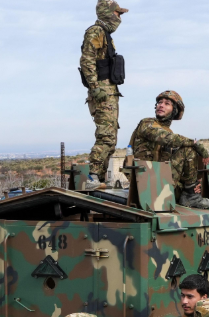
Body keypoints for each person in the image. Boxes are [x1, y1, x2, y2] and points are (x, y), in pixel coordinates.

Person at [128, 90, 209, 208]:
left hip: (159, 180)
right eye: (160, 102)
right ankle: (189, 196)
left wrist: (194, 185)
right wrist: (195, 144)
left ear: (175, 110)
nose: (161, 105)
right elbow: (164, 137)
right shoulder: (147, 123)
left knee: (188, 151)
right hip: (143, 180)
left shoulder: (170, 133)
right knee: (189, 148)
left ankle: (190, 195)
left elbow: (175, 162)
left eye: (167, 103)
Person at [80, 1, 128, 190]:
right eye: (117, 13)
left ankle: (98, 178)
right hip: (102, 92)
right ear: (108, 13)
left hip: (109, 92)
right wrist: (94, 87)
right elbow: (87, 59)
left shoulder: (106, 35)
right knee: (105, 136)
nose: (119, 18)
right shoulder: (96, 31)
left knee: (111, 138)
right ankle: (92, 177)